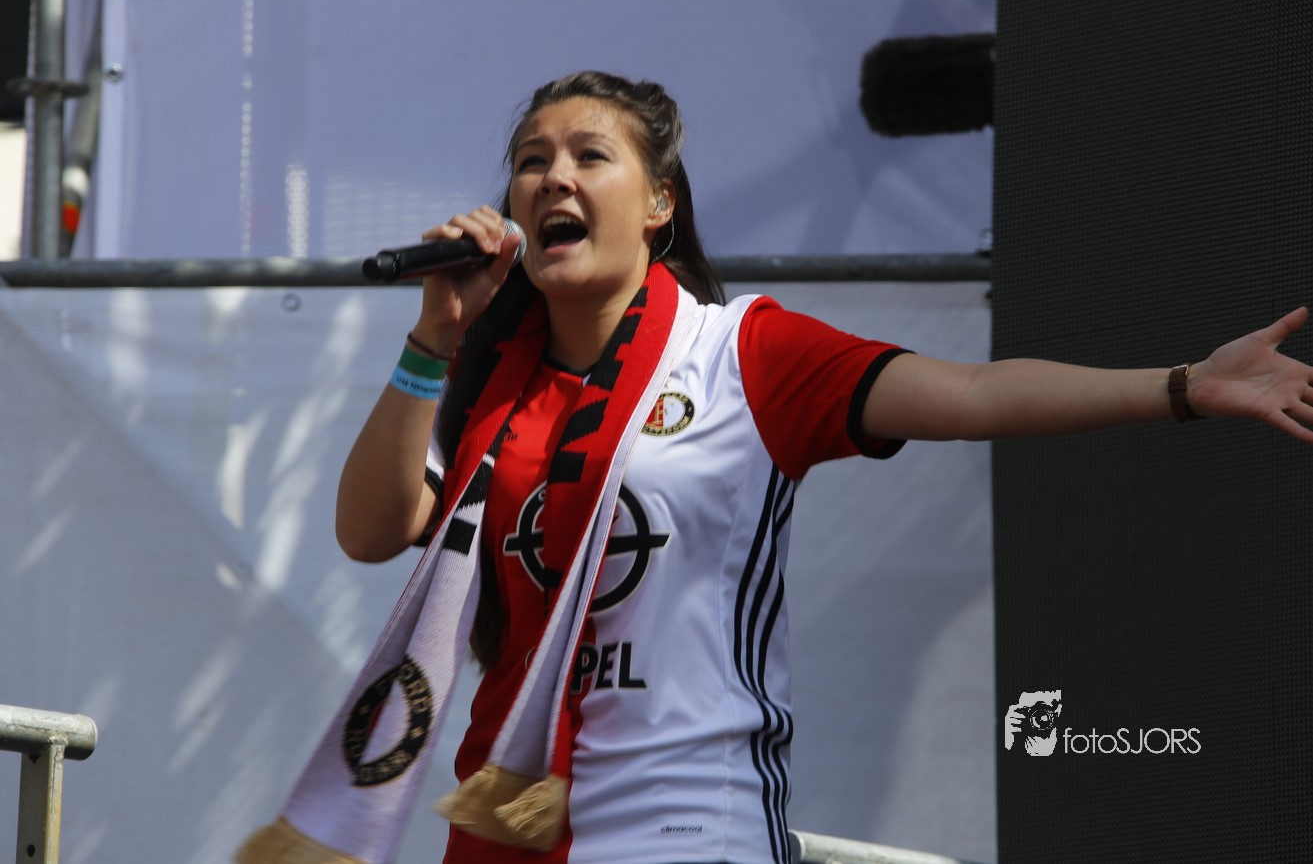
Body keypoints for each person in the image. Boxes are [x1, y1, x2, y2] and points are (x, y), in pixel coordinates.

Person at [242, 71, 1313, 864]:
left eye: (587, 155)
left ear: (659, 203)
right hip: (504, 825)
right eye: (531, 159)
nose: (552, 175)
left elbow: (975, 395)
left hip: (682, 824)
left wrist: (1184, 383)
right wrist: (434, 338)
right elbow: (372, 530)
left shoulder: (742, 353)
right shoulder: (498, 384)